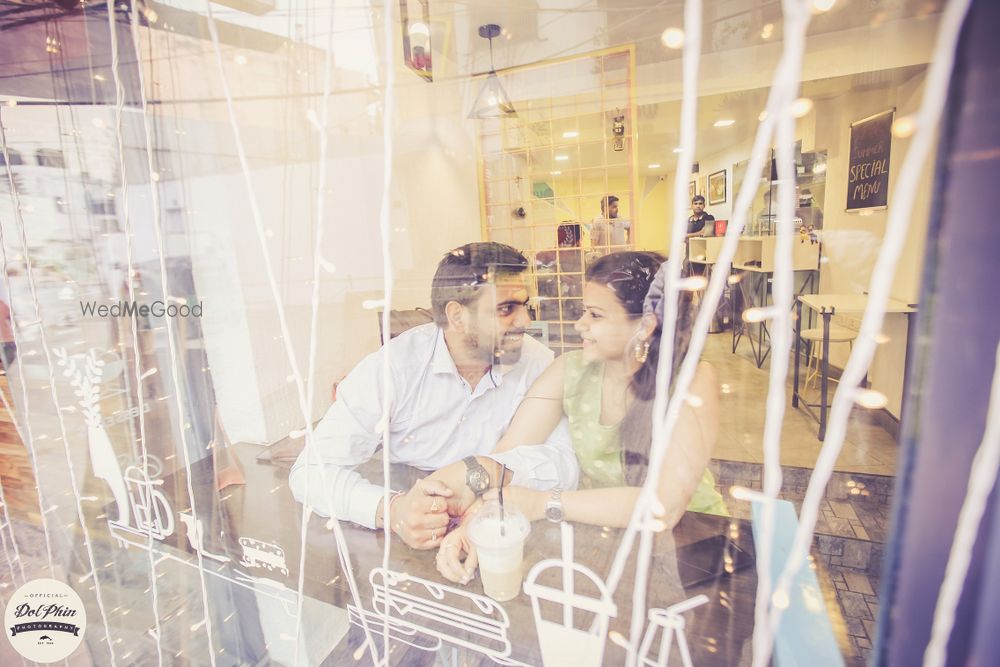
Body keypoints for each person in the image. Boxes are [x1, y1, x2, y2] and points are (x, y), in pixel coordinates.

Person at [430, 251, 727, 584]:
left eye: (595, 315)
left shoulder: (693, 380)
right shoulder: (569, 371)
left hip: (693, 547)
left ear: (645, 326)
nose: (579, 324)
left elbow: (664, 507)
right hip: (601, 540)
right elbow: (509, 454)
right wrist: (477, 520)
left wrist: (543, 503)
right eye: (584, 311)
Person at [289, 242, 577, 549]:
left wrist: (489, 475)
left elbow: (565, 463)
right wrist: (392, 510)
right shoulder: (394, 369)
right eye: (507, 309)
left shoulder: (535, 362)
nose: (526, 322)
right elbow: (309, 472)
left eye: (525, 305)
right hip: (409, 526)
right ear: (457, 316)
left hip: (498, 521)